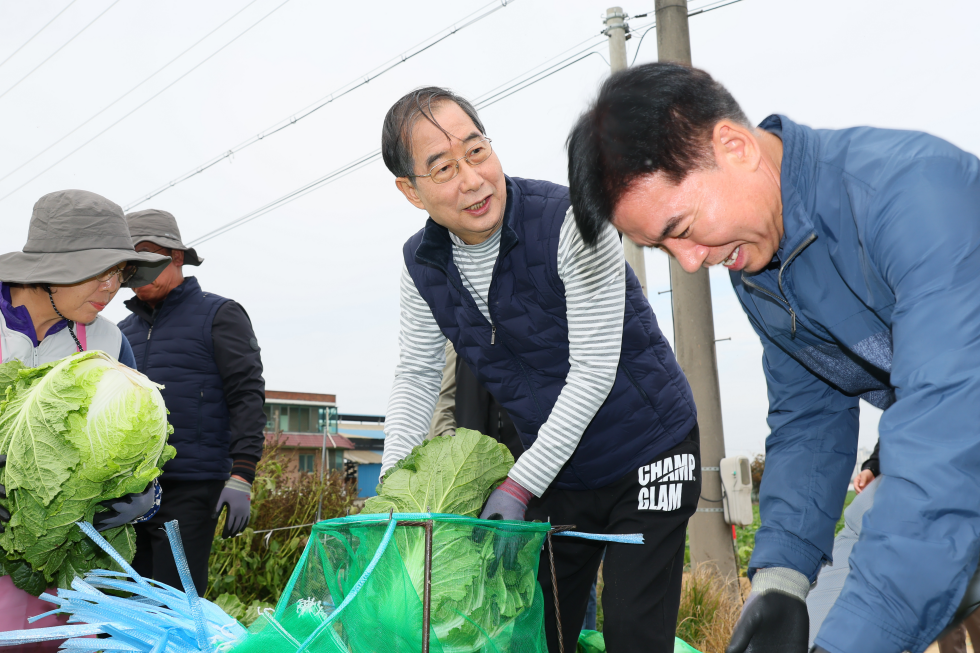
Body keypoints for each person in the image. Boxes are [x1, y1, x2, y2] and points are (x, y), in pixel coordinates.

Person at [566, 62, 980, 653]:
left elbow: (948, 453)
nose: (687, 263)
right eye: (662, 248)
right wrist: (781, 585)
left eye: (680, 227)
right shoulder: (757, 261)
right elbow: (810, 418)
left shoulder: (915, 198)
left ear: (733, 146)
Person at [380, 86, 699, 653]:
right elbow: (417, 375)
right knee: (532, 634)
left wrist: (520, 484)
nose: (473, 179)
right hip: (558, 470)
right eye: (444, 167)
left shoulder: (575, 223)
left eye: (477, 152)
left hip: (648, 448)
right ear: (410, 191)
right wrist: (392, 493)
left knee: (632, 635)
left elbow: (594, 370)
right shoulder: (421, 265)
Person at [0, 189, 171, 646]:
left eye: (121, 272)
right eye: (100, 270)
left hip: (61, 569)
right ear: (52, 267)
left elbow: (143, 445)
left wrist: (145, 496)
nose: (112, 287)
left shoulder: (109, 342)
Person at [118, 209, 266, 594]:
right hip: (130, 491)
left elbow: (247, 395)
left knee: (175, 602)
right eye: (131, 262)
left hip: (191, 488)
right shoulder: (120, 332)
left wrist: (242, 475)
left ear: (176, 256)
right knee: (126, 604)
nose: (139, 270)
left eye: (148, 256)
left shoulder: (219, 315)